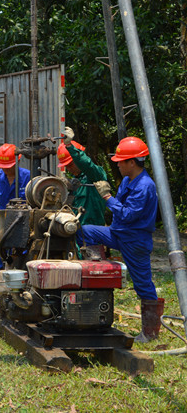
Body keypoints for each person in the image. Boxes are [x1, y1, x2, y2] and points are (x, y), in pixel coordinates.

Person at [81, 136, 162, 342]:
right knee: (86, 231)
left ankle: (150, 333)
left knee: (143, 285)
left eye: (120, 161)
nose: (117, 165)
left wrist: (108, 198)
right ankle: (98, 270)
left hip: (135, 240)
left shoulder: (145, 186)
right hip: (118, 233)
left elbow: (127, 214)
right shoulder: (128, 180)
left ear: (132, 162)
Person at [58, 128, 108, 228]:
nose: (69, 169)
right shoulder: (75, 181)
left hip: (93, 230)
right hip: (76, 229)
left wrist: (69, 147)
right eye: (66, 166)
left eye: (70, 164)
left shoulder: (95, 175)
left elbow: (87, 165)